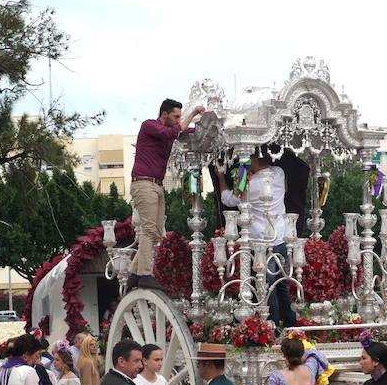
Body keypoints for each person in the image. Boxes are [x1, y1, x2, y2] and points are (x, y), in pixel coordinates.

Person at [126, 99, 205, 291]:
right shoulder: (150, 126)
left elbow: (187, 132)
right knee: (149, 229)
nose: (178, 120)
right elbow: (174, 132)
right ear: (164, 115)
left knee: (155, 230)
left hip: (157, 185)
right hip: (144, 183)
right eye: (176, 116)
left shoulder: (168, 132)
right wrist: (193, 113)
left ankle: (134, 274)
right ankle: (145, 274)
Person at [218, 146, 296, 327]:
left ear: (252, 160)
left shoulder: (249, 185)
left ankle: (272, 328)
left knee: (266, 288)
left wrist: (222, 177)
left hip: (261, 242)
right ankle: (292, 326)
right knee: (281, 285)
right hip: (282, 238)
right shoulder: (279, 173)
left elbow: (228, 199)